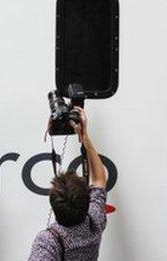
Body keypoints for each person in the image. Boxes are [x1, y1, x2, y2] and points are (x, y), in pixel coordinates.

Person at [29, 107, 108, 261]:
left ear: (53, 207)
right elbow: (99, 180)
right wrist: (84, 136)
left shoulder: (48, 242)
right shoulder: (94, 222)